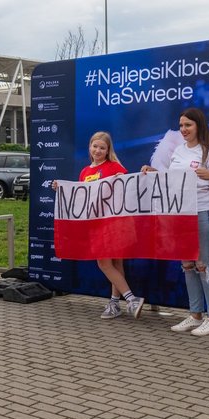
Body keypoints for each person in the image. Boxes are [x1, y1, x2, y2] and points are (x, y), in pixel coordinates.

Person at [142, 107, 209, 336]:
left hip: (203, 211)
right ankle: (195, 314)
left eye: (188, 125)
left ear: (198, 125)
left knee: (204, 265)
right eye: (181, 125)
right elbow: (171, 180)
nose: (184, 129)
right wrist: (153, 172)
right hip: (181, 215)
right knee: (188, 265)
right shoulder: (178, 150)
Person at [54, 131, 145, 319]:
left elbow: (127, 189)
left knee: (105, 262)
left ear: (108, 150)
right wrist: (61, 188)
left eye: (102, 148)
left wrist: (123, 179)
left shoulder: (114, 167)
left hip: (114, 224)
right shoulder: (85, 172)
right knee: (114, 263)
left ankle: (131, 299)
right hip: (96, 225)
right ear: (89, 147)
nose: (98, 150)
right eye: (95, 146)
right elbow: (81, 197)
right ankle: (114, 304)